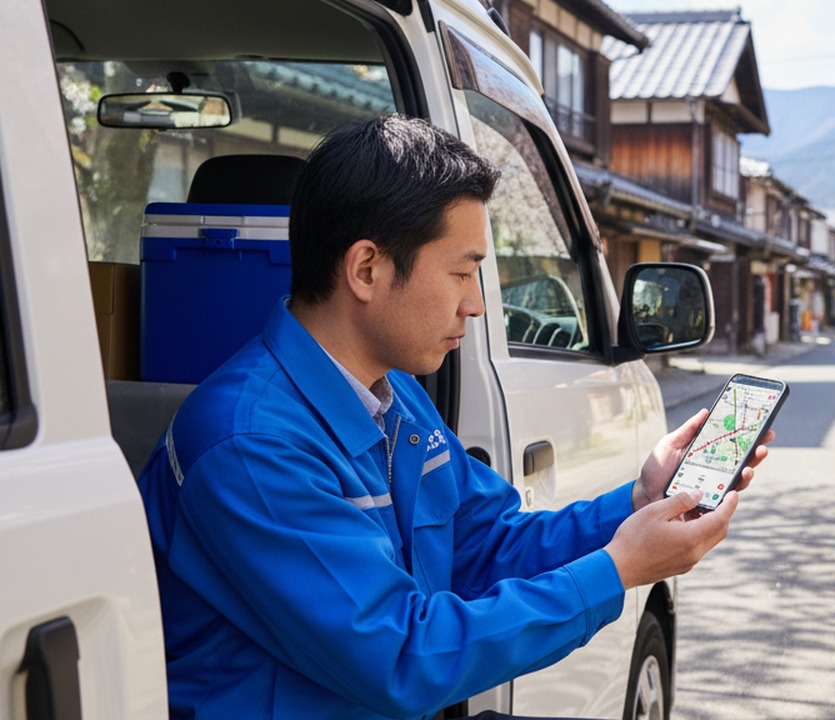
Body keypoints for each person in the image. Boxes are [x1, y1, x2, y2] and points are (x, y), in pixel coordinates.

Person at [133, 115, 772, 719]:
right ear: (366, 268)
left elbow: (487, 543)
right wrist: (617, 569)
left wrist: (637, 500)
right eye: (462, 272)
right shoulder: (249, 444)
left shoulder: (396, 395)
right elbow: (399, 655)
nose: (474, 305)